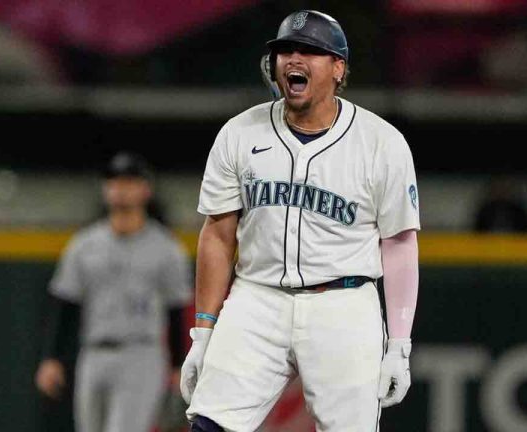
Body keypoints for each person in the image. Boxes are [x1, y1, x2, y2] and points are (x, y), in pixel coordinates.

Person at [180, 10, 421, 431]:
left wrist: (399, 343)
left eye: (310, 50)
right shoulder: (239, 133)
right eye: (285, 50)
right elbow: (217, 236)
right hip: (257, 297)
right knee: (209, 425)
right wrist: (204, 330)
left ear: (338, 67)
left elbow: (399, 243)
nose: (294, 59)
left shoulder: (381, 143)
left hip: (343, 303)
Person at [35, 152, 193, 432]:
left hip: (141, 354)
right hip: (93, 354)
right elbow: (65, 304)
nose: (120, 189)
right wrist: (52, 358)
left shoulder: (166, 248)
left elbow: (176, 311)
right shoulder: (84, 245)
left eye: (129, 182)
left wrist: (178, 364)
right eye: (114, 182)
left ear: (145, 189)